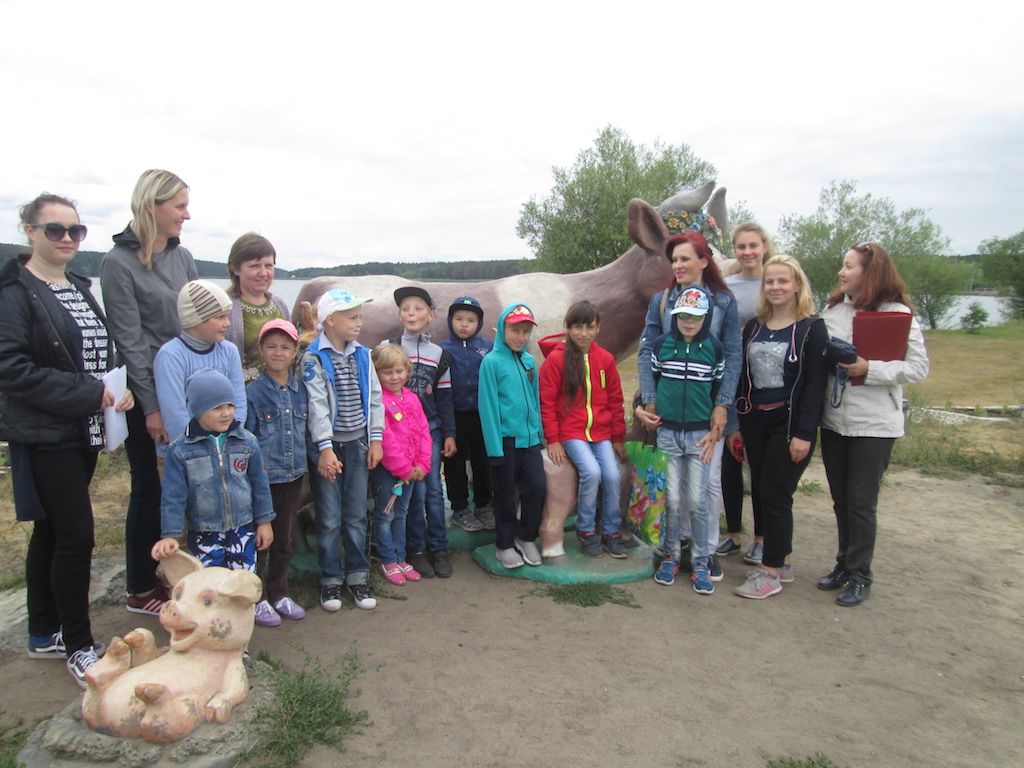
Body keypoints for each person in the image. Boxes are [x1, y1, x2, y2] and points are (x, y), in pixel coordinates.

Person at [0, 193, 134, 687]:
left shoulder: (78, 285)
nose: (66, 239)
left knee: (53, 531)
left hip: (84, 426)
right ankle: (78, 645)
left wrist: (113, 391)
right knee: (77, 535)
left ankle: (42, 633)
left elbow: (94, 354)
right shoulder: (15, 290)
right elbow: (11, 369)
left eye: (75, 231)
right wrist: (89, 392)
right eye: (54, 229)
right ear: (30, 231)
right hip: (46, 431)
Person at [101, 169, 197, 615]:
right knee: (150, 489)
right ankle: (140, 587)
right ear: (152, 206)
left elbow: (195, 322)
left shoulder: (184, 258)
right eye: (178, 206)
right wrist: (152, 407)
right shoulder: (117, 264)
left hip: (188, 387)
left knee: (186, 487)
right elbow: (131, 341)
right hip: (149, 393)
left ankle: (175, 571)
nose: (186, 215)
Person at [818, 242, 929, 606]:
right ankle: (843, 565)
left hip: (875, 423)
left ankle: (861, 575)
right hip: (835, 420)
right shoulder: (833, 311)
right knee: (840, 500)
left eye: (849, 266)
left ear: (870, 273)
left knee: (861, 502)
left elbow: (917, 368)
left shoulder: (898, 315)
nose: (841, 273)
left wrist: (871, 369)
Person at [636, 231, 741, 582]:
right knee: (674, 488)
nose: (678, 265)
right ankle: (675, 547)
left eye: (685, 258)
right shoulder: (663, 301)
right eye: (674, 260)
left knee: (707, 486)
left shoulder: (724, 302)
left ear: (704, 261)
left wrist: (723, 405)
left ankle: (705, 552)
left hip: (705, 410)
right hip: (669, 411)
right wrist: (648, 398)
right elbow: (648, 351)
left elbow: (731, 355)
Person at [732, 255, 828, 599]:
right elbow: (742, 377)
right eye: (769, 281)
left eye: (782, 281)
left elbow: (816, 385)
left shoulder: (811, 329)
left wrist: (804, 433)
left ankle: (769, 572)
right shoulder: (754, 327)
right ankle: (783, 560)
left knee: (775, 494)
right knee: (761, 488)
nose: (775, 287)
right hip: (755, 419)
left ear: (797, 285)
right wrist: (738, 425)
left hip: (789, 423)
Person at [303, 288, 384, 612]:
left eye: (359, 317)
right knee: (329, 516)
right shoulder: (314, 358)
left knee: (355, 514)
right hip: (330, 448)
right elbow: (316, 405)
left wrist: (375, 438)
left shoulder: (363, 355)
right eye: (352, 318)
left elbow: (374, 397)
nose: (359, 323)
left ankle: (357, 574)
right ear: (330, 320)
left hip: (358, 443)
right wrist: (324, 448)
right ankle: (330, 578)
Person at [152, 369, 274, 572]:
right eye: (217, 408)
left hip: (242, 528)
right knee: (210, 589)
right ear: (198, 411)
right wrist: (171, 535)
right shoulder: (180, 450)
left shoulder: (247, 442)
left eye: (230, 406)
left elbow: (260, 486)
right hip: (204, 532)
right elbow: (173, 498)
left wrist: (264, 522)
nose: (226, 413)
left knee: (242, 586)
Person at [645, 286, 724, 595]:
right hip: (668, 433)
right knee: (673, 500)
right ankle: (671, 555)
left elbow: (718, 389)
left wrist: (715, 426)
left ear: (705, 318)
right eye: (683, 316)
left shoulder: (714, 349)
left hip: (699, 436)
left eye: (695, 317)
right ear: (674, 317)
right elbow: (652, 378)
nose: (689, 322)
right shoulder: (662, 345)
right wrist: (650, 408)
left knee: (698, 501)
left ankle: (701, 559)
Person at [539, 300, 628, 558]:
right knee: (591, 472)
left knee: (612, 474)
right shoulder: (556, 360)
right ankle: (586, 529)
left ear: (598, 328)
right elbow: (547, 402)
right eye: (577, 327)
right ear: (567, 328)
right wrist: (553, 439)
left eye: (589, 327)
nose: (583, 333)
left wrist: (618, 438)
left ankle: (611, 530)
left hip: (600, 433)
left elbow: (615, 399)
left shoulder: (605, 359)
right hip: (571, 432)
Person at [245, 319, 310, 626]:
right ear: (261, 350)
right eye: (270, 346)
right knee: (260, 540)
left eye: (285, 347)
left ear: (295, 351)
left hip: (294, 474)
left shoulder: (301, 391)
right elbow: (247, 439)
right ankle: (255, 598)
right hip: (264, 479)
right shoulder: (253, 393)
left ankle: (279, 592)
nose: (278, 353)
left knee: (284, 538)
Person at [390, 287, 456, 578]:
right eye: (406, 308)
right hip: (399, 431)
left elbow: (445, 398)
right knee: (411, 492)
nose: (411, 313)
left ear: (431, 315)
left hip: (430, 430)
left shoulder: (439, 355)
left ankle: (439, 547)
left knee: (432, 489)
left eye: (418, 308)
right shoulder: (390, 348)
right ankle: (415, 549)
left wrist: (450, 433)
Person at [717, 223, 773, 563]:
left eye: (753, 245)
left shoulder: (779, 280)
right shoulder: (728, 287)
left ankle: (763, 538)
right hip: (731, 378)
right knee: (729, 461)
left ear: (764, 246)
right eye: (741, 246)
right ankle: (734, 534)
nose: (747, 252)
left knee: (761, 464)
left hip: (767, 381)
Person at [478, 304, 547, 569]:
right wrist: (494, 448)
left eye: (525, 331)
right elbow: (488, 407)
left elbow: (534, 398)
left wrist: (539, 432)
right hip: (504, 442)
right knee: (505, 494)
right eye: (515, 330)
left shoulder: (529, 361)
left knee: (537, 487)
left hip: (530, 440)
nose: (520, 336)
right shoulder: (491, 362)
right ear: (503, 329)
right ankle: (504, 544)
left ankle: (526, 536)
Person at [154, 280, 247, 449]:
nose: (227, 323)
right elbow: (175, 413)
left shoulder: (229, 351)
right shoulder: (171, 355)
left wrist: (231, 439)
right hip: (184, 452)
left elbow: (239, 401)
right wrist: (197, 450)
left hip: (226, 449)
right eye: (219, 317)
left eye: (227, 316)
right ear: (195, 319)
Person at [370, 343, 432, 585]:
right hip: (391, 473)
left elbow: (424, 432)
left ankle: (401, 557)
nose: (394, 377)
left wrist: (422, 465)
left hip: (413, 471)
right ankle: (387, 559)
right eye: (387, 372)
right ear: (376, 373)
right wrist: (404, 469)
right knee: (386, 516)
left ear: (407, 370)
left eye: (399, 371)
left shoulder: (412, 398)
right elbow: (386, 439)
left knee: (402, 514)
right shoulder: (379, 402)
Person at [440, 296, 494, 532]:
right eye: (459, 319)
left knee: (484, 461)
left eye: (470, 320)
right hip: (454, 415)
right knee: (455, 462)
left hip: (482, 415)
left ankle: (483, 505)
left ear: (478, 323)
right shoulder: (442, 349)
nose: (464, 324)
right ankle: (460, 508)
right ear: (451, 321)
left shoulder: (487, 347)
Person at [225, 232, 291, 383]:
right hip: (243, 396)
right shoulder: (225, 308)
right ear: (236, 269)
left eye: (268, 266)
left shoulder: (280, 305)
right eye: (254, 266)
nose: (263, 273)